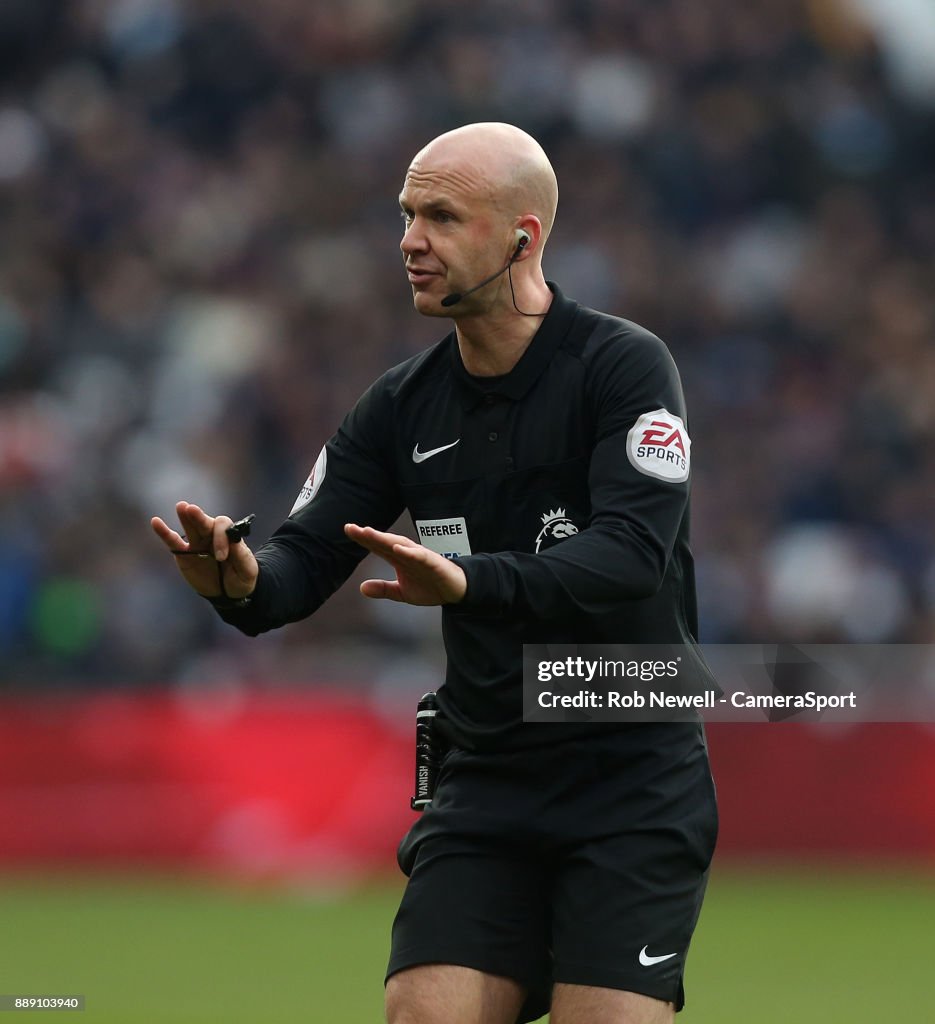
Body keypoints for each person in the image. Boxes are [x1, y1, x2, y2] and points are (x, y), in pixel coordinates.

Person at [152, 122, 717, 1024]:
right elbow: (299, 566)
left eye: (443, 217)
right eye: (408, 214)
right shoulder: (399, 405)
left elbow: (627, 554)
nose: (410, 240)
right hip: (488, 775)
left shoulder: (622, 366)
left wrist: (470, 583)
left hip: (632, 775)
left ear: (521, 238)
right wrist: (238, 582)